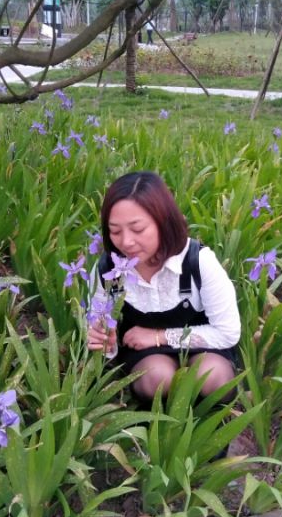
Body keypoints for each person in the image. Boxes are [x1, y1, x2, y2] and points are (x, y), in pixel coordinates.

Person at [87, 171, 240, 403]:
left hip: (205, 345)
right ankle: (160, 422)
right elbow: (97, 326)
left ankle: (209, 422)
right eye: (115, 231)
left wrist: (159, 336)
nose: (126, 242)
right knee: (156, 378)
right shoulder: (109, 270)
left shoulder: (197, 261)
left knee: (213, 376)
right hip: (145, 354)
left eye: (138, 229)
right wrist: (104, 342)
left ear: (163, 222)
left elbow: (228, 333)